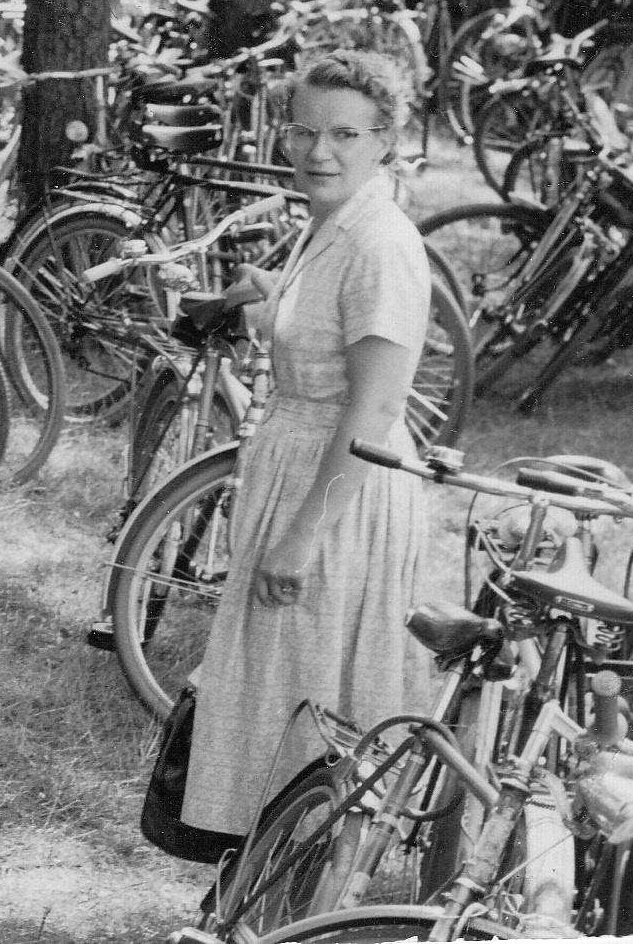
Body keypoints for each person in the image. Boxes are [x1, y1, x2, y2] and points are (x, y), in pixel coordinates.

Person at [180, 49, 436, 837]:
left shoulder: (380, 245)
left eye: (345, 135)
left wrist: (303, 535)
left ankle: (298, 878)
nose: (318, 151)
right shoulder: (332, 223)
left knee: (311, 710)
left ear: (385, 140)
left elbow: (376, 404)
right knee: (275, 696)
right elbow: (323, 332)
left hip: (339, 494)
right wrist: (265, 300)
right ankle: (262, 876)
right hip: (298, 470)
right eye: (303, 132)